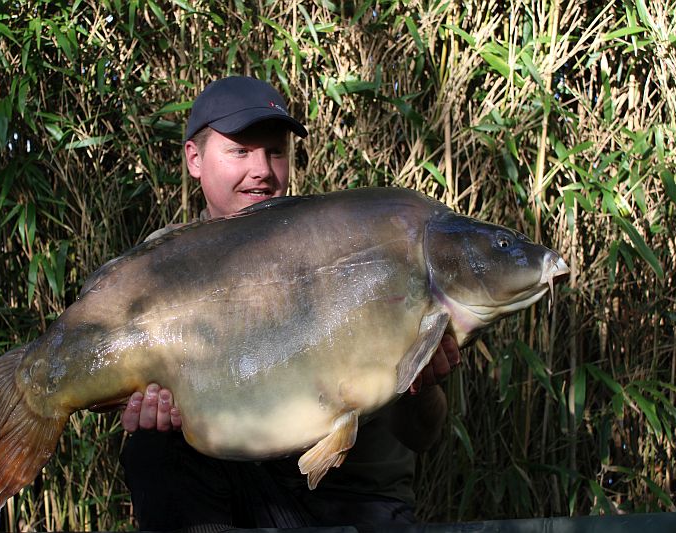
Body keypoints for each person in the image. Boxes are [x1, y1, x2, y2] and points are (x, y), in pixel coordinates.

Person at [120, 76, 460, 530]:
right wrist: (146, 413)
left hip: (353, 500)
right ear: (195, 159)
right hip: (236, 491)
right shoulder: (161, 267)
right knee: (151, 447)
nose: (262, 169)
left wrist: (425, 385)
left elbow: (421, 434)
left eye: (275, 152)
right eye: (240, 152)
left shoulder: (355, 245)